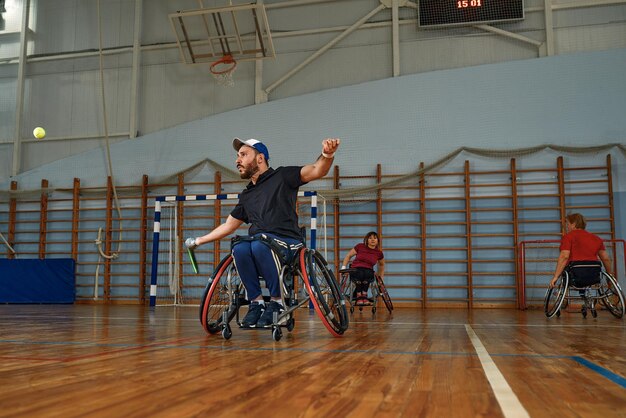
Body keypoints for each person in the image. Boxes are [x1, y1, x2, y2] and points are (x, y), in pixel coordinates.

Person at [185, 137, 340, 328]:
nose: (237, 160)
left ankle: (277, 303)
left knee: (259, 243)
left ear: (260, 158)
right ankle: (256, 303)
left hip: (289, 243)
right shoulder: (247, 195)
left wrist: (327, 154)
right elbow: (229, 225)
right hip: (261, 242)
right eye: (237, 156)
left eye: (243, 155)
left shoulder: (282, 176)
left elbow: (317, 170)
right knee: (240, 247)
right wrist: (200, 240)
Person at [550, 213, 613, 289]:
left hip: (576, 274)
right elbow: (605, 258)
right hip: (593, 274)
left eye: (567, 224)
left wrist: (556, 276)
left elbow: (564, 256)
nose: (566, 226)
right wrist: (610, 276)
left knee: (567, 270)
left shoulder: (568, 237)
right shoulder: (596, 238)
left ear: (574, 224)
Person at [341, 231, 385, 306]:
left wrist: (381, 278)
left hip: (368, 271)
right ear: (366, 239)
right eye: (370, 238)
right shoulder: (360, 246)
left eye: (375, 238)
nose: (373, 240)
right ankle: (359, 296)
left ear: (378, 241)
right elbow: (348, 256)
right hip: (356, 269)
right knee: (361, 272)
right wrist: (343, 268)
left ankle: (363, 295)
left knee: (368, 273)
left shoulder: (379, 253)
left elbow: (382, 265)